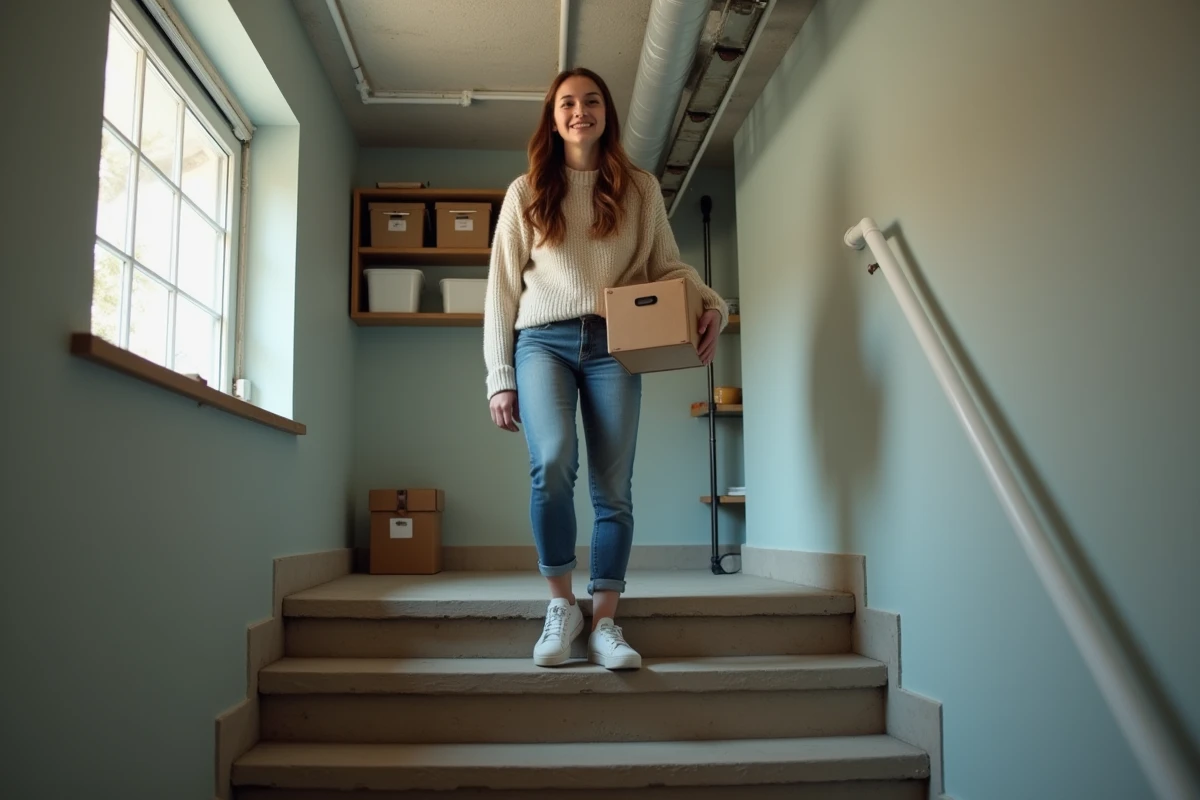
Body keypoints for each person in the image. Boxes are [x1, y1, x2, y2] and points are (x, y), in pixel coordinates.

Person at [483, 67, 728, 670]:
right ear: (553, 116)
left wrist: (714, 306)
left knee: (613, 487)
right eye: (567, 102)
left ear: (606, 112)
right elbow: (500, 291)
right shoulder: (526, 191)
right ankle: (562, 608)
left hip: (617, 344)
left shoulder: (639, 188)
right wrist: (500, 375)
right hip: (542, 341)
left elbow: (669, 267)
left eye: (591, 100)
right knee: (553, 461)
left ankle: (607, 622)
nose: (579, 111)